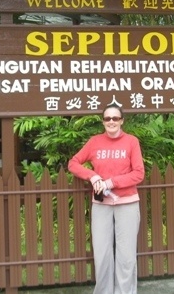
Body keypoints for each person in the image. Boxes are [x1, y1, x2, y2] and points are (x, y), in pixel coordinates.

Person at [68, 104, 145, 294]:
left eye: (115, 118)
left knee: (126, 256)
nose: (111, 122)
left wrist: (111, 182)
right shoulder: (95, 142)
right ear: (103, 121)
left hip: (127, 202)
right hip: (101, 204)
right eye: (108, 118)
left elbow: (139, 174)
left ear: (122, 121)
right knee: (102, 254)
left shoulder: (131, 142)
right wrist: (92, 176)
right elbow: (73, 163)